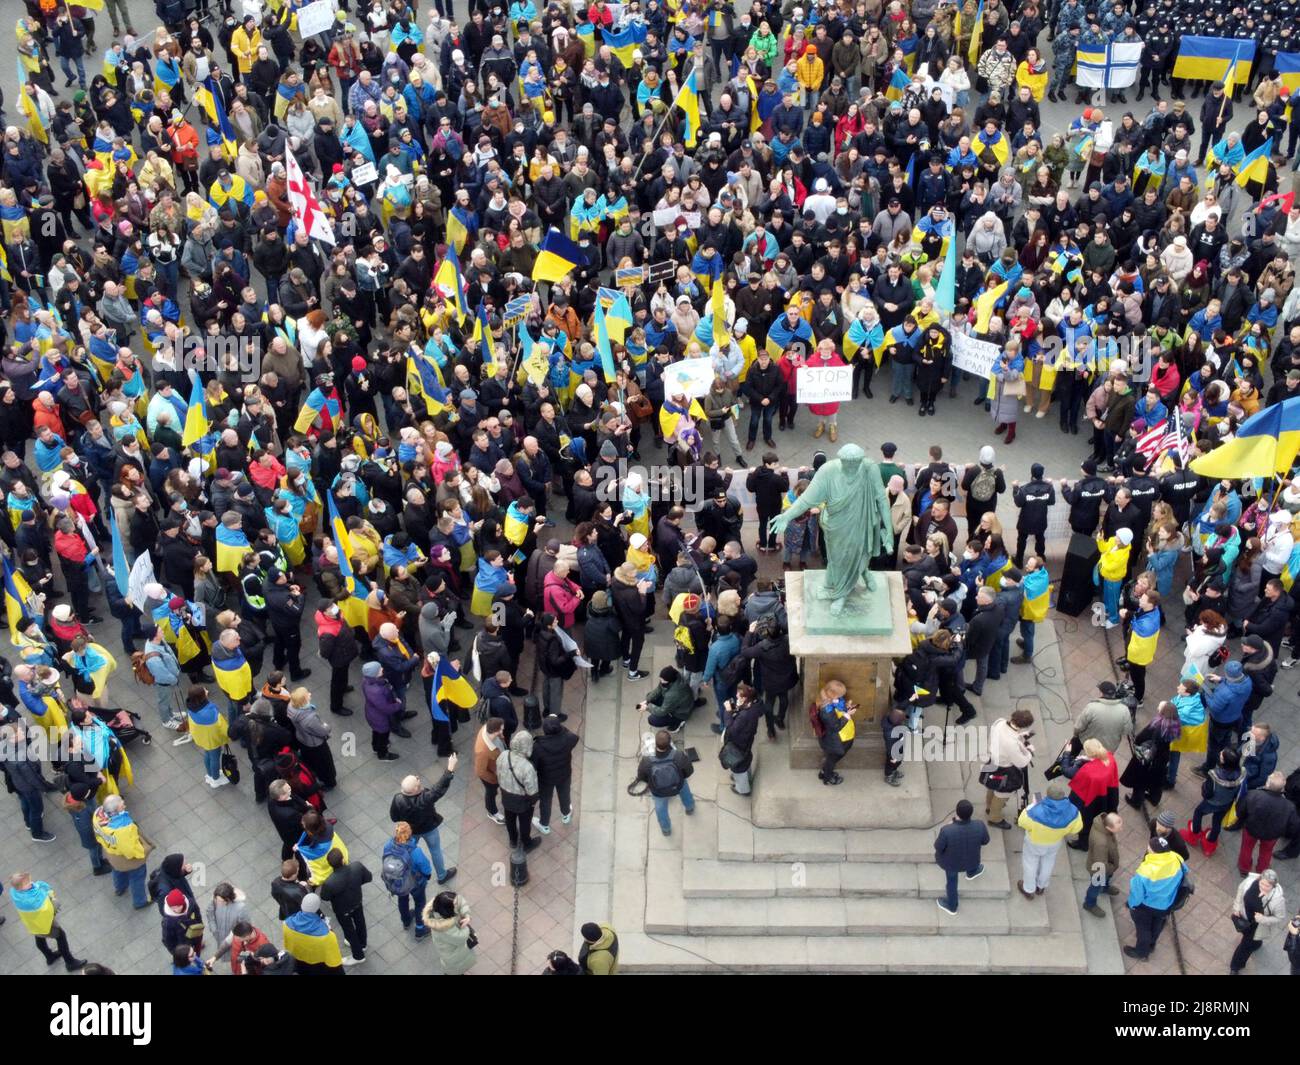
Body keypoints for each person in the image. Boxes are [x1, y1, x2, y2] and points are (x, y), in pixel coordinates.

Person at [389, 766, 459, 884]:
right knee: (435, 850)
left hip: (411, 831)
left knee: (408, 851)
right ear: (416, 788)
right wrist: (450, 769)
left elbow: (394, 817)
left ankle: (406, 872)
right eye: (417, 779)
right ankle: (442, 875)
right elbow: (438, 789)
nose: (418, 777)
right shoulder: (425, 798)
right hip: (429, 828)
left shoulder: (397, 799)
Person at [1017, 780, 1084, 898]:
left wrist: (1033, 805)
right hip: (1054, 842)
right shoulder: (1073, 811)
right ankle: (1041, 886)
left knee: (1030, 863)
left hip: (1034, 842)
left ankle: (1028, 888)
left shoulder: (1036, 810)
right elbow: (1076, 829)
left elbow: (1022, 822)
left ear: (1047, 795)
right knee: (1048, 863)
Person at [1124, 835, 1187, 961]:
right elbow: (1184, 872)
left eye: (1149, 847)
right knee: (1157, 925)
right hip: (1166, 904)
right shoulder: (1176, 858)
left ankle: (1142, 952)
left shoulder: (1145, 870)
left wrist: (1132, 905)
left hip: (1147, 906)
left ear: (1154, 852)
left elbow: (1137, 895)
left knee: (1143, 929)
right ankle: (1151, 945)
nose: (1147, 848)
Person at [7, 873, 85, 971]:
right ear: (19, 888)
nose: (31, 883)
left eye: (29, 880)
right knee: (61, 936)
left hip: (33, 923)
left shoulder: (15, 893)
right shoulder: (32, 901)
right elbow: (47, 908)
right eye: (27, 883)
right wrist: (53, 901)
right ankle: (70, 962)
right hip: (44, 923)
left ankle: (49, 956)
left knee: (39, 937)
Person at [93, 795, 154, 909]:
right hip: (127, 858)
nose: (124, 805)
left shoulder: (98, 815)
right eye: (122, 805)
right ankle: (140, 902)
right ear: (116, 809)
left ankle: (120, 888)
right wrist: (141, 853)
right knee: (137, 877)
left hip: (112, 854)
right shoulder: (124, 828)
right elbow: (130, 851)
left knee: (117, 870)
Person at [1234, 772, 1300, 876]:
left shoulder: (1253, 795)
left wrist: (1244, 820)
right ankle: (1262, 870)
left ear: (1267, 784)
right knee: (1266, 853)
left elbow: (1239, 810)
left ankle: (1244, 869)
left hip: (1251, 829)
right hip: (1271, 835)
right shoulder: (1289, 807)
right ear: (1283, 788)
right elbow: (1293, 826)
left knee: (1246, 848)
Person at [933, 800, 990, 916]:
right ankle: (972, 872)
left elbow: (938, 847)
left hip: (951, 863)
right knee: (971, 861)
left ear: (957, 813)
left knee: (952, 882)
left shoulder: (947, 830)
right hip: (972, 859)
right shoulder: (979, 825)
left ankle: (952, 906)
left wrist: (949, 825)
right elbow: (985, 841)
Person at [1120, 701, 1181, 809]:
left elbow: (1140, 738)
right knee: (1157, 781)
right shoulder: (1175, 724)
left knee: (1140, 780)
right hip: (1162, 758)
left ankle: (1136, 801)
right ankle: (1154, 799)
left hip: (1149, 757)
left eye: (1160, 707)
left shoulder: (1156, 725)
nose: (1158, 707)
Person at [1061, 738, 1120, 848]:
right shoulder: (1109, 757)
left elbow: (1066, 771)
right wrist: (1086, 759)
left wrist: (1067, 753)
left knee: (1086, 821)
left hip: (1089, 800)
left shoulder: (1088, 772)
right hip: (1106, 796)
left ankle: (1083, 844)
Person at [318, 848, 372, 966]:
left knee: (349, 931)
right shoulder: (357, 867)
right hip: (357, 902)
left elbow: (325, 897)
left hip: (342, 910)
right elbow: (369, 877)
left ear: (330, 864)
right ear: (343, 859)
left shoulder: (329, 882)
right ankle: (362, 945)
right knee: (360, 922)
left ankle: (358, 956)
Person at [636, 729, 695, 836]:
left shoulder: (647, 761)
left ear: (655, 744)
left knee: (660, 809)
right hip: (678, 785)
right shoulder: (678, 755)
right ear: (670, 744)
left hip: (659, 792)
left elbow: (642, 777)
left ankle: (666, 829)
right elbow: (689, 771)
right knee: (686, 792)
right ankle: (690, 808)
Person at [1187, 747, 1243, 857]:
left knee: (1198, 812)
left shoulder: (1214, 775)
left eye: (1222, 755)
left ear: (1224, 761)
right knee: (1217, 822)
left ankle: (1195, 832)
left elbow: (1207, 792)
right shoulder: (1240, 774)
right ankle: (1210, 843)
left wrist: (1204, 787)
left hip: (1211, 802)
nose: (1220, 753)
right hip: (1227, 803)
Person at [983, 709, 1035, 828]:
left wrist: (1019, 737)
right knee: (1002, 793)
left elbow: (1007, 737)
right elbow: (1021, 762)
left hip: (993, 761)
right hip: (1003, 768)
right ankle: (994, 818)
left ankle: (989, 806)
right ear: (1024, 726)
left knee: (992, 786)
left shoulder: (999, 722)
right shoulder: (1011, 742)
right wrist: (1030, 752)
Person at [1229, 870, 1287, 974]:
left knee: (1245, 946)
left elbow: (1280, 917)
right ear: (1259, 879)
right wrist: (1237, 907)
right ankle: (1257, 943)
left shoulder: (1277, 900)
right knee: (1249, 939)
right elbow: (1240, 891)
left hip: (1258, 926)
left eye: (1268, 886)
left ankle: (1235, 966)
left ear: (1273, 886)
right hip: (1244, 917)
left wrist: (1263, 919)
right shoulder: (1250, 881)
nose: (1264, 887)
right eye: (1262, 883)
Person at [382, 822, 433, 940]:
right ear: (410, 834)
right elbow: (425, 867)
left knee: (402, 899)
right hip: (415, 883)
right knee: (420, 903)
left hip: (398, 884)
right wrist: (427, 876)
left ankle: (406, 921)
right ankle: (420, 930)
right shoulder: (415, 851)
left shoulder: (388, 845)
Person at [532, 716, 579, 834]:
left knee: (546, 801)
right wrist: (560, 728)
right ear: (560, 728)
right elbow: (575, 737)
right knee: (564, 794)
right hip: (564, 774)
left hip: (545, 779)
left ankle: (544, 825)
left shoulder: (538, 746)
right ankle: (566, 814)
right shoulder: (568, 738)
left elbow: (533, 764)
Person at [497, 730, 542, 852]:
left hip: (506, 796)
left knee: (510, 819)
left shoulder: (503, 755)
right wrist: (533, 802)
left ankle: (513, 840)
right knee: (525, 823)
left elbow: (499, 773)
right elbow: (532, 790)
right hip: (522, 801)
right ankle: (526, 843)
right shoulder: (528, 767)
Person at [721, 683, 765, 796]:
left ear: (745, 698)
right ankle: (745, 776)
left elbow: (731, 729)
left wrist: (728, 712)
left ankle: (743, 789)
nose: (736, 696)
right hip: (746, 741)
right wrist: (737, 707)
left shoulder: (744, 716)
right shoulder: (753, 707)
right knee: (745, 760)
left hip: (739, 743)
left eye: (738, 695)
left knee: (739, 766)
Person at [814, 680, 858, 786]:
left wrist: (846, 707)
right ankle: (827, 778)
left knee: (831, 759)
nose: (841, 697)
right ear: (833, 695)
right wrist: (847, 715)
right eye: (840, 695)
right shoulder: (827, 711)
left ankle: (824, 772)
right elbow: (835, 726)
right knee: (832, 760)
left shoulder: (832, 701)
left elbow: (839, 708)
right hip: (836, 741)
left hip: (840, 737)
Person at [423, 890, 477, 974]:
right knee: (455, 971)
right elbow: (461, 938)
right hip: (454, 955)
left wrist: (467, 915)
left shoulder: (440, 904)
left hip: (452, 951)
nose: (457, 905)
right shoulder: (444, 929)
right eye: (455, 905)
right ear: (448, 911)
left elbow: (461, 903)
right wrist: (465, 927)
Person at [1082, 813, 1123, 918]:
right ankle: (1089, 904)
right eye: (1119, 827)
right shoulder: (1101, 843)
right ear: (1109, 827)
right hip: (1099, 870)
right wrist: (1112, 867)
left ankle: (1104, 887)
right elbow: (1101, 864)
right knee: (1095, 887)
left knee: (1106, 878)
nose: (1121, 828)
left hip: (1106, 864)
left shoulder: (1102, 823)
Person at [474, 717, 507, 826]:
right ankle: (492, 812)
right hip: (491, 776)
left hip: (497, 767)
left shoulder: (487, 728)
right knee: (491, 792)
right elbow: (480, 771)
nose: (502, 732)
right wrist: (494, 780)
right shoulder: (483, 751)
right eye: (501, 730)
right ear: (494, 731)